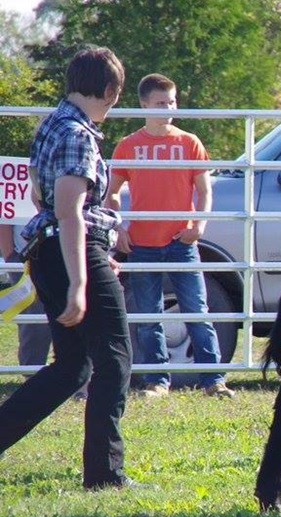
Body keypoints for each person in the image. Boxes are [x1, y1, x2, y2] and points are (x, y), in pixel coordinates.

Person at [0, 46, 148, 489]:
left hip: (52, 251)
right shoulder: (77, 135)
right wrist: (81, 280)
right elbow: (69, 211)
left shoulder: (51, 125)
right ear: (110, 90)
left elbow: (39, 197)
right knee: (115, 358)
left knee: (72, 367)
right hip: (72, 250)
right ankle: (105, 473)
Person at [107, 73, 234, 399]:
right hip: (142, 243)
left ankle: (213, 380)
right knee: (149, 316)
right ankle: (157, 381)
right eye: (161, 103)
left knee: (197, 311)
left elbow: (205, 191)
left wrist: (199, 226)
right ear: (144, 104)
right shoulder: (128, 146)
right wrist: (118, 228)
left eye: (172, 102)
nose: (168, 109)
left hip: (181, 242)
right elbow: (112, 193)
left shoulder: (189, 142)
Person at [0, 223, 57, 381]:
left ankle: (71, 375)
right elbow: (5, 219)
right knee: (34, 321)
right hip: (24, 258)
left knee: (69, 317)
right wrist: (10, 256)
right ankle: (31, 376)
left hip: (64, 255)